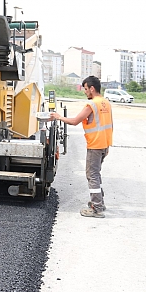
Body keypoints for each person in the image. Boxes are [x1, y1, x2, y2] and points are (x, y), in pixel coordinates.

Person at [49, 76, 113, 218]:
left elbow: (75, 121)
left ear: (92, 88)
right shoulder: (106, 103)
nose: (84, 92)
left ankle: (96, 208)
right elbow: (110, 125)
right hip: (103, 144)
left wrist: (58, 117)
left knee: (92, 175)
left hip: (95, 145)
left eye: (85, 89)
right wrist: (108, 146)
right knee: (96, 174)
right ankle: (99, 202)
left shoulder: (92, 105)